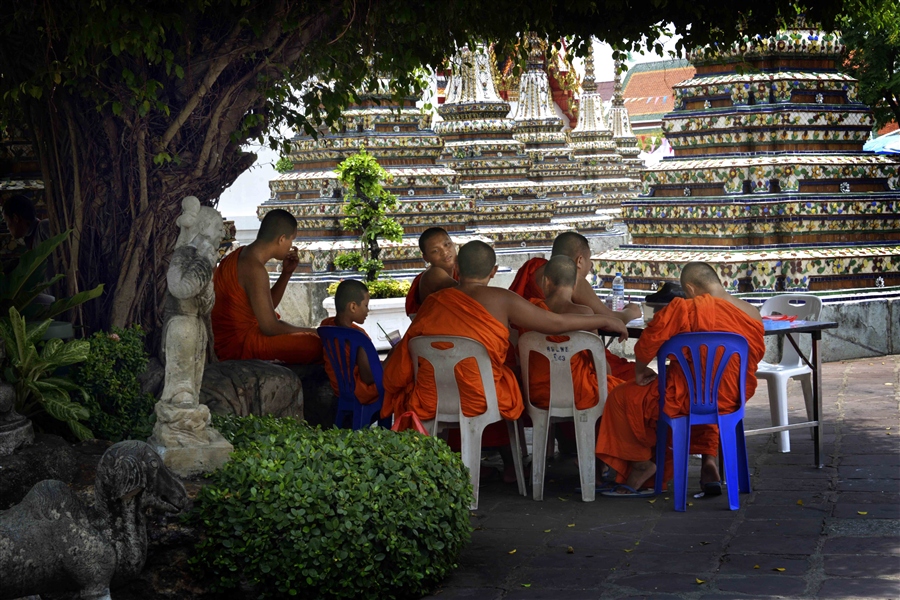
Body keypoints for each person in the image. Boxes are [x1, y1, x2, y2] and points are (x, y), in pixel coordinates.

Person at [383, 241, 627, 481]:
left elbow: (407, 346)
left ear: (458, 267)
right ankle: (517, 466)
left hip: (432, 396)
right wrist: (603, 321)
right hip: (479, 397)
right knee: (509, 377)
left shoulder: (434, 302)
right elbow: (556, 324)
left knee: (501, 372)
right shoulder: (502, 299)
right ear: (493, 271)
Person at [594, 262, 765, 497]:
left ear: (691, 289)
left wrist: (640, 370)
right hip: (732, 399)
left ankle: (641, 465)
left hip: (683, 400)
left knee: (621, 396)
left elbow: (647, 344)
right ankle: (709, 462)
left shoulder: (686, 308)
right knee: (708, 393)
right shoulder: (752, 313)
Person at [508, 231, 641, 380]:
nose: (590, 265)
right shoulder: (572, 279)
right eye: (589, 260)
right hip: (570, 370)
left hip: (533, 370)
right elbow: (611, 319)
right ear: (579, 261)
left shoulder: (533, 272)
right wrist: (632, 312)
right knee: (636, 375)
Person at [211, 209, 322, 363]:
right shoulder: (254, 269)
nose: (291, 245)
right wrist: (312, 331)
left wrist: (286, 274)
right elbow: (270, 327)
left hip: (239, 337)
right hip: (238, 345)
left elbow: (264, 308)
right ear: (282, 239)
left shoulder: (239, 256)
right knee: (316, 345)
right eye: (291, 240)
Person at [521, 255, 625, 410]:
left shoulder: (530, 311)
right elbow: (601, 366)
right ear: (575, 284)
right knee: (625, 394)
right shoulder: (585, 314)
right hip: (577, 392)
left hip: (538, 394)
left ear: (545, 281)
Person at [319, 279, 379, 405]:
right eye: (365, 305)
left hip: (340, 389)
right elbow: (368, 377)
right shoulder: (358, 337)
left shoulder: (326, 326)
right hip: (359, 392)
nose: (367, 311)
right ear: (353, 306)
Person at [405, 227, 458, 316]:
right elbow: (468, 292)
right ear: (426, 258)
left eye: (447, 244)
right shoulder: (433, 274)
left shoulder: (457, 271)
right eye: (435, 251)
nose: (444, 252)